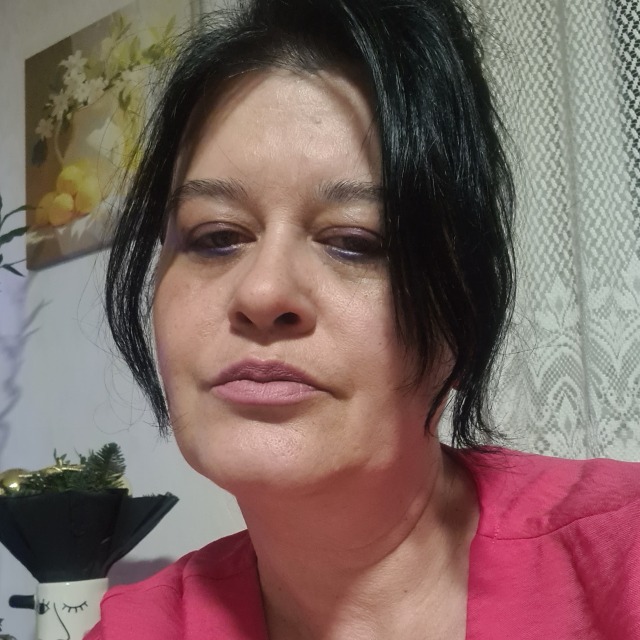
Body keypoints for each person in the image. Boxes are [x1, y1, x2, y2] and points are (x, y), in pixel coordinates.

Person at [92, 0, 640, 638]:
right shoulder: (137, 628)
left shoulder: (621, 554)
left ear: (462, 307)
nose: (263, 292)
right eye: (215, 237)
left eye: (355, 242)